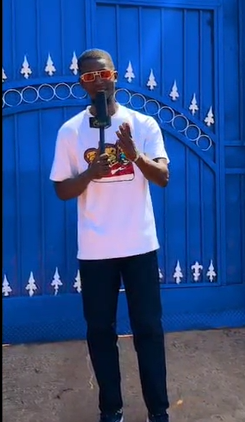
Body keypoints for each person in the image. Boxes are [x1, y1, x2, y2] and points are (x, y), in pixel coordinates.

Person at [49, 48, 170, 422]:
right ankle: (111, 409)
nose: (98, 81)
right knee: (100, 331)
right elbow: (61, 189)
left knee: (148, 329)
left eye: (103, 74)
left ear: (115, 76)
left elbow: (163, 177)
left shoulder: (143, 124)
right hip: (96, 249)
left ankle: (158, 412)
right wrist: (89, 174)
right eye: (89, 77)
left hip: (139, 244)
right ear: (81, 84)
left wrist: (134, 156)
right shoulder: (71, 132)